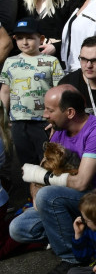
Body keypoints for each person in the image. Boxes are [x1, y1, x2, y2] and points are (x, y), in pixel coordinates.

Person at [11, 85, 96, 274]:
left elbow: (81, 183)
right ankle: (84, 237)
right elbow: (40, 173)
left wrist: (44, 190)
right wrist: (38, 196)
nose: (45, 115)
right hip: (71, 199)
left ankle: (72, 259)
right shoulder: (59, 131)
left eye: (50, 110)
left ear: (70, 112)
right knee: (18, 228)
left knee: (49, 196)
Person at [0, 18, 63, 166]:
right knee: (26, 164)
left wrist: (56, 120)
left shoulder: (51, 61)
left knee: (48, 162)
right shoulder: (10, 62)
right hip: (17, 122)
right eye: (20, 38)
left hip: (44, 122)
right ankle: (31, 189)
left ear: (40, 39)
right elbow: (5, 91)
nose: (25, 42)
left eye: (30, 38)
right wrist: (3, 118)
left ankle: (46, 189)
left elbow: (60, 92)